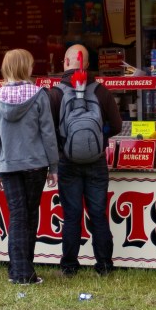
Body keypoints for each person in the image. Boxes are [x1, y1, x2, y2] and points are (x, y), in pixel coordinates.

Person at [48, 44, 122, 276]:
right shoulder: (101, 91)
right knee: (98, 213)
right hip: (97, 161)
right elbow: (117, 126)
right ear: (88, 65)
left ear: (65, 63)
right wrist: (97, 139)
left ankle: (69, 266)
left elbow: (48, 130)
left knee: (72, 215)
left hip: (66, 161)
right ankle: (104, 265)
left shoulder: (56, 93)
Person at [0, 49, 59, 285]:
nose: (31, 68)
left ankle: (18, 268)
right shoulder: (39, 95)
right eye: (29, 64)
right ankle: (23, 271)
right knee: (29, 216)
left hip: (8, 165)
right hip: (35, 165)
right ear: (23, 67)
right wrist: (54, 166)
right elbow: (48, 134)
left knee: (17, 216)